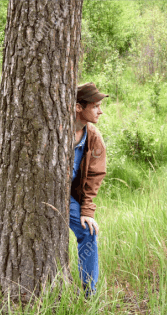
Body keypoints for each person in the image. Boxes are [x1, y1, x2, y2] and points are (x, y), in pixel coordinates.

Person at [70, 82, 108, 297]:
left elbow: (95, 176)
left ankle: (89, 293)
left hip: (70, 197)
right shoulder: (55, 130)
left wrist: (87, 210)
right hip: (46, 194)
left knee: (88, 230)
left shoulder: (93, 136)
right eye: (95, 106)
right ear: (78, 107)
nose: (100, 111)